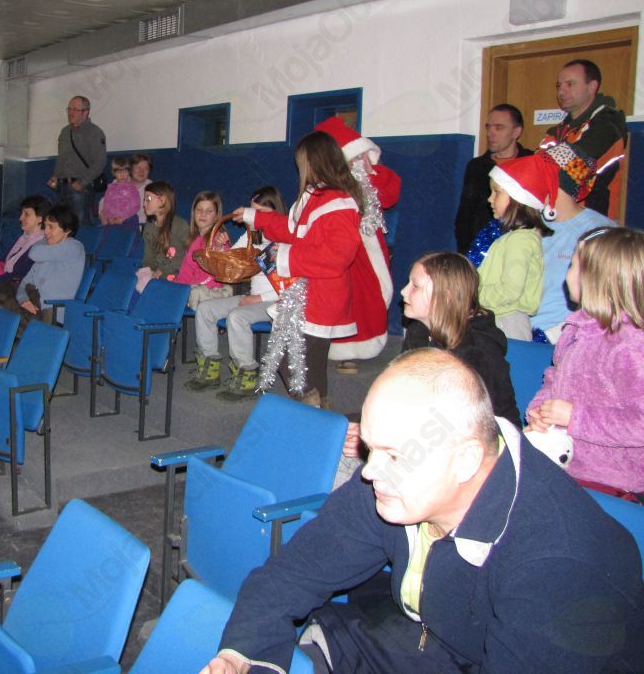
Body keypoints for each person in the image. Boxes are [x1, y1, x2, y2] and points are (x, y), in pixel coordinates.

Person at [202, 348, 643, 674]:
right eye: (371, 448)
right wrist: (242, 655)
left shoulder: (559, 565)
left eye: (394, 454)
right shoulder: (398, 478)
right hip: (424, 639)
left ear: (466, 460)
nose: (370, 471)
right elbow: (295, 573)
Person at [232, 130, 361, 407]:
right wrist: (255, 216)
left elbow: (337, 256)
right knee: (304, 364)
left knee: (298, 362)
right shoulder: (315, 198)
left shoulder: (336, 202)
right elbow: (291, 229)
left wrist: (285, 255)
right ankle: (316, 413)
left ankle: (314, 416)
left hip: (321, 297)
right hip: (306, 294)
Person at [527, 226, 644, 497]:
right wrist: (541, 411)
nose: (567, 274)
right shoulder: (576, 329)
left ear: (596, 279)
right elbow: (554, 378)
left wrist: (574, 417)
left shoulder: (630, 346)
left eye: (573, 266)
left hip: (611, 484)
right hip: (565, 468)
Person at [312, 117, 401, 374]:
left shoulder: (373, 177)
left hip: (370, 245)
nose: (359, 161)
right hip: (343, 246)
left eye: (362, 156)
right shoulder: (328, 185)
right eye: (354, 157)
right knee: (347, 298)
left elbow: (389, 195)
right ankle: (343, 349)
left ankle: (367, 341)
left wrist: (371, 171)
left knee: (371, 295)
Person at [187, 186, 285, 400]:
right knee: (204, 309)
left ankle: (246, 374)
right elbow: (230, 259)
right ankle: (209, 368)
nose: (254, 216)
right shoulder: (252, 236)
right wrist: (220, 248)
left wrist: (258, 298)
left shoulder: (283, 242)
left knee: (237, 316)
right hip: (253, 297)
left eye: (260, 212)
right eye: (252, 210)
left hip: (275, 301)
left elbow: (289, 286)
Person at [400, 251, 519, 425]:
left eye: (415, 286)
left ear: (447, 296)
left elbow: (474, 422)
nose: (403, 291)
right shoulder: (418, 330)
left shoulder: (475, 350)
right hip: (433, 424)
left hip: (483, 433)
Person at [530, 149, 617, 343]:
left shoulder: (601, 232)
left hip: (565, 339)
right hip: (518, 333)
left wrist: (557, 337)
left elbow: (613, 302)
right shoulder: (528, 222)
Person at [477, 155, 554, 340]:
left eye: (497, 192)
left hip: (507, 322)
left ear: (518, 199)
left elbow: (511, 290)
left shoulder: (521, 240)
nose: (490, 199)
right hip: (500, 317)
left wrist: (471, 296)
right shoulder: (514, 238)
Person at [539, 58, 627, 217]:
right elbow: (536, 169)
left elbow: (570, 170)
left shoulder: (605, 128)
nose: (561, 92)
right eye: (559, 85)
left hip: (594, 223)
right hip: (559, 219)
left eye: (570, 84)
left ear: (592, 86)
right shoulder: (556, 132)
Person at [454, 104, 533, 254]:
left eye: (498, 128)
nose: (491, 133)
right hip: (481, 249)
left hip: (520, 247)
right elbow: (464, 218)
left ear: (516, 132)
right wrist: (466, 254)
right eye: (488, 127)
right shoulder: (477, 166)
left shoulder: (530, 162)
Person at [15, 204, 85, 323]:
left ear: (67, 230)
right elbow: (25, 282)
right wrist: (23, 299)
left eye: (51, 227)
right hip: (34, 309)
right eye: (45, 226)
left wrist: (41, 241)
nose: (45, 231)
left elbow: (33, 253)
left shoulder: (74, 247)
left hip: (52, 313)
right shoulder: (47, 249)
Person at [48, 95, 107, 228]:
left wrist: (82, 182)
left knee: (81, 226)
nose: (70, 113)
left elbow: (100, 162)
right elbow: (61, 158)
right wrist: (55, 176)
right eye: (69, 109)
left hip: (81, 189)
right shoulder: (65, 132)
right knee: (62, 227)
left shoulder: (94, 132)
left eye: (75, 109)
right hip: (62, 187)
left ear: (85, 112)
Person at [174, 190, 231, 309]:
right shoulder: (193, 239)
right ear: (193, 213)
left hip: (211, 290)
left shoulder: (219, 239)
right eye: (199, 210)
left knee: (195, 293)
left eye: (209, 211)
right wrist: (176, 287)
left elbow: (220, 269)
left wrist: (219, 248)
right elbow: (186, 272)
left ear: (216, 217)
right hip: (193, 288)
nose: (203, 214)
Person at [138, 181, 190, 292]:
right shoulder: (149, 227)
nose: (144, 204)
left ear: (162, 200)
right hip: (157, 276)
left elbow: (182, 257)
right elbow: (148, 257)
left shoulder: (179, 225)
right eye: (144, 200)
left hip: (176, 276)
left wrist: (161, 271)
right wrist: (146, 271)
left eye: (148, 199)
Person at [98, 157, 142, 227]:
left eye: (125, 171)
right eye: (119, 172)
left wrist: (123, 217)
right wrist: (109, 218)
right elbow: (106, 205)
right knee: (105, 224)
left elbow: (136, 206)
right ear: (114, 173)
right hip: (112, 220)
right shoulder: (110, 188)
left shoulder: (132, 188)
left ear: (129, 172)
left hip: (128, 219)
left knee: (133, 219)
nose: (122, 175)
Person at [130, 152, 153, 226]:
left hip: (143, 225)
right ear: (131, 169)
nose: (142, 171)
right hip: (121, 224)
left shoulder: (152, 188)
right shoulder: (120, 183)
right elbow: (105, 201)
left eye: (146, 169)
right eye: (138, 167)